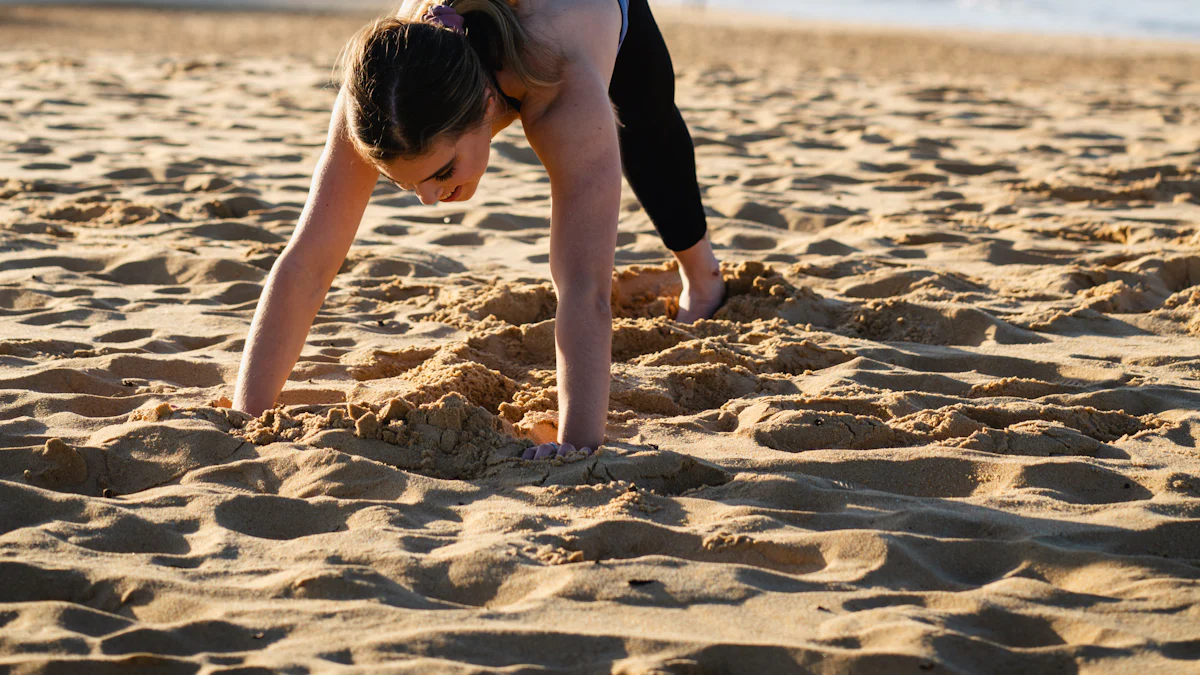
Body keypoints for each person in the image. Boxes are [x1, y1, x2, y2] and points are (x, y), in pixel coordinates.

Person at [232, 0, 725, 460]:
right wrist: (246, 416)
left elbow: (585, 289)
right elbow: (307, 263)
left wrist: (575, 450)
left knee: (648, 126)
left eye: (442, 172)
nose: (429, 198)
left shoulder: (564, 88)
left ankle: (704, 282)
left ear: (488, 105)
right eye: (405, 184)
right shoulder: (385, 89)